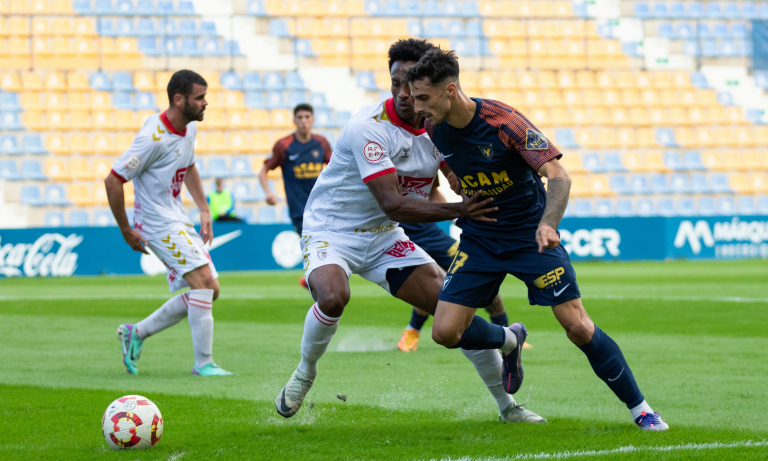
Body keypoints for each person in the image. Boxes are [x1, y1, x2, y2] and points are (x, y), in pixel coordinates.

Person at [275, 39, 544, 425]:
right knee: (334, 297)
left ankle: (508, 403)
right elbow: (394, 203)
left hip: (384, 236)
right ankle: (305, 372)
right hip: (332, 231)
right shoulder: (368, 128)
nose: (403, 94)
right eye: (395, 82)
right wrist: (460, 209)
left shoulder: (439, 127)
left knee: (453, 311)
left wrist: (489, 194)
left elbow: (456, 173)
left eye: (411, 85)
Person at [403, 49, 668, 431]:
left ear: (450, 90)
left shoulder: (503, 121)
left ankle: (641, 409)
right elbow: (443, 155)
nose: (419, 109)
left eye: (424, 99)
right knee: (445, 333)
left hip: (531, 238)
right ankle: (510, 339)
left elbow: (558, 174)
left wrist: (549, 224)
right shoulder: (433, 125)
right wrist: (452, 174)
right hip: (479, 241)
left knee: (578, 327)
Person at [104, 70, 233, 377]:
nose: (205, 103)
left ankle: (136, 333)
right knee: (202, 283)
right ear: (179, 99)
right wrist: (126, 229)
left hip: (176, 216)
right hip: (156, 223)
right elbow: (113, 180)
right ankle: (204, 364)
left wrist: (203, 208)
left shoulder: (188, 129)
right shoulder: (152, 138)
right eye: (199, 97)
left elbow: (188, 165)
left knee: (210, 289)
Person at [259, 103, 332, 235]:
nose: (303, 121)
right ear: (294, 121)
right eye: (300, 117)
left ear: (312, 120)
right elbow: (263, 171)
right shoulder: (284, 145)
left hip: (322, 208)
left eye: (307, 116)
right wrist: (268, 192)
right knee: (312, 248)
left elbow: (335, 168)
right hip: (299, 210)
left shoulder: (322, 143)